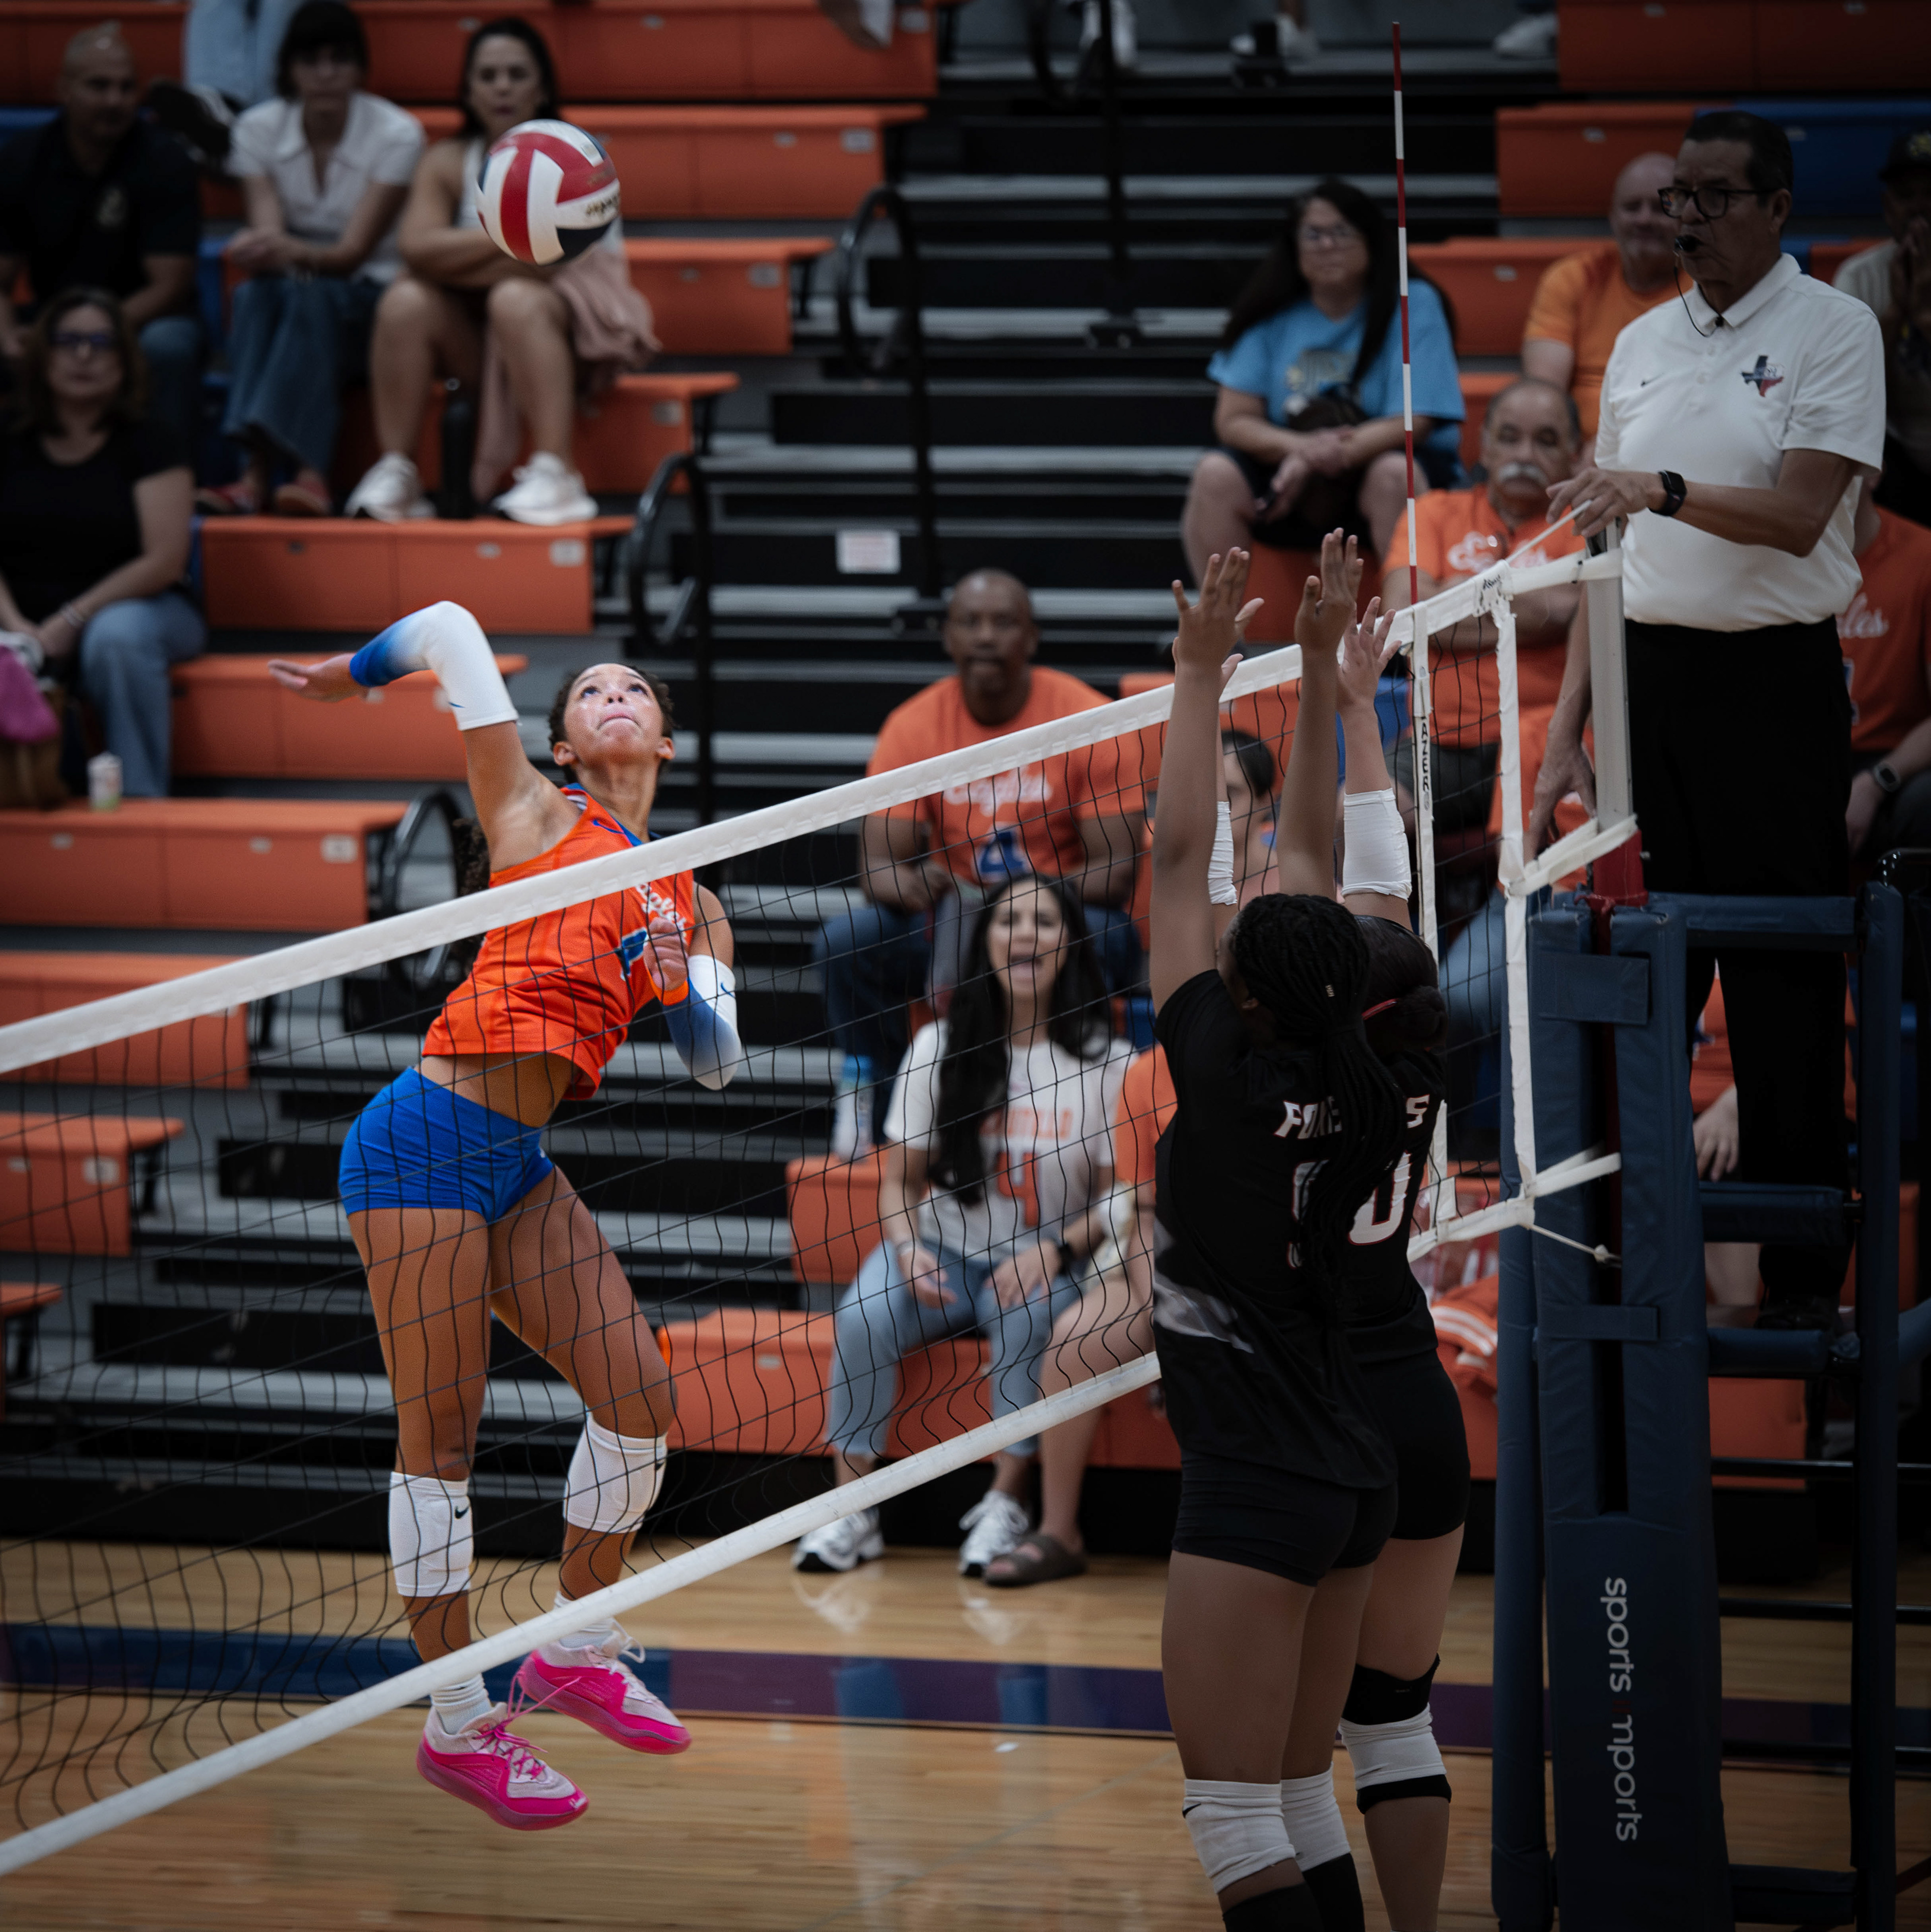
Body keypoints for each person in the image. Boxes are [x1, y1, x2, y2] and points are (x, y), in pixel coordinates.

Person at [270, 610, 744, 1825]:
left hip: (516, 1162)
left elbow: (715, 1062)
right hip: (421, 1140)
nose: (616, 695)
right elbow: (448, 628)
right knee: (441, 1442)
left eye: (637, 687)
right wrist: (349, 678)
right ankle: (456, 1720)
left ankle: (574, 1643)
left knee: (642, 1398)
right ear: (565, 743)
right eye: (592, 689)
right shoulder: (531, 810)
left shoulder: (692, 888)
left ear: (666, 737)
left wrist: (680, 976)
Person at [1542, 109, 1885, 1334]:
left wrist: (1663, 488)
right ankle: (1615, 1281)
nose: (1684, 218)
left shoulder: (1833, 329)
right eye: (1676, 196)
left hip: (1773, 689)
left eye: (1712, 197)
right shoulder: (1639, 342)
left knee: (1782, 992)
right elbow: (1603, 548)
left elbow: (1799, 518)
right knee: (1639, 980)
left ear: (1777, 207)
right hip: (1648, 685)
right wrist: (1565, 729)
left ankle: (1801, 1299)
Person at [1153, 536, 1406, 1932]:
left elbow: (1182, 854)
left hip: (1258, 1475)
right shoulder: (1363, 1064)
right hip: (1350, 1467)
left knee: (1238, 1818)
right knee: (1303, 1799)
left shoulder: (1223, 1074)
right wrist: (1310, 667)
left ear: (1243, 995)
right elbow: (1295, 868)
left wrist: (1202, 672)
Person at [1269, 554, 1466, 1932]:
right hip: (1414, 1399)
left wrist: (1311, 688)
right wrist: (1353, 703)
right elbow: (1379, 891)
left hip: (1306, 1413)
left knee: (1284, 1767)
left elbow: (1306, 883)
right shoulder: (1418, 1043)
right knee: (1394, 1719)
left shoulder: (1258, 1073)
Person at [985, 728, 1279, 1590]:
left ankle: (1264, 1534)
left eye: (1230, 795)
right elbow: (1139, 1206)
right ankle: (1060, 1529)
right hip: (1169, 1250)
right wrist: (1163, 1291)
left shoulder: (1287, 922)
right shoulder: (1153, 1072)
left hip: (1272, 1252)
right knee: (1079, 1334)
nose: (1212, 810)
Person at [792, 872, 1131, 1580]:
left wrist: (1055, 1250)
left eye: (1044, 921)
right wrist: (906, 1244)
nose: (1025, 934)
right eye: (1009, 921)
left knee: (1030, 1314)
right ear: (985, 943)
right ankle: (853, 1508)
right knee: (862, 1315)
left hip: (1045, 1257)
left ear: (1071, 943)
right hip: (941, 1250)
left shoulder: (1108, 1061)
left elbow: (1114, 1198)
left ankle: (1006, 1501)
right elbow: (898, 1181)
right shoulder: (938, 1045)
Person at [814, 568, 1145, 1152]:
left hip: (1058, 918)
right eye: (970, 622)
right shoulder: (913, 726)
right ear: (949, 637)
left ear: (1031, 637)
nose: (986, 636)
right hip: (958, 920)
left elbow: (1115, 871)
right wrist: (914, 883)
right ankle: (878, 1097)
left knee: (1112, 935)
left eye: (1003, 622)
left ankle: (1076, 1099)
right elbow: (877, 867)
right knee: (847, 943)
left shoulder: (1087, 717)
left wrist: (1026, 902)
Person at [343, 15, 655, 526]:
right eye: (488, 76)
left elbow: (550, 268)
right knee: (406, 301)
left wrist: (461, 256)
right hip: (479, 340)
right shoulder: (447, 160)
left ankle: (558, 472)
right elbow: (417, 249)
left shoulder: (578, 158)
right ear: (468, 90)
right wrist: (523, 236)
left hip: (571, 336)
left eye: (517, 74)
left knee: (516, 298)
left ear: (543, 86)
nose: (502, 87)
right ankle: (397, 471)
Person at [1385, 377, 1588, 1057]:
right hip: (1440, 744)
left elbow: (1572, 609)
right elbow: (1403, 618)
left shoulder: (1585, 521)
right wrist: (1523, 610)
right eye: (1510, 436)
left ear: (1576, 454)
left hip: (1541, 748)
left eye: (1546, 439)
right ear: (1484, 445)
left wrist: (1450, 605)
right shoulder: (1434, 511)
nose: (1525, 453)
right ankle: (1383, 975)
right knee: (1360, 811)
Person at [200, 3, 422, 517]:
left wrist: (283, 250)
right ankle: (257, 478)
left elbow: (351, 253)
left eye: (339, 60)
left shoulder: (397, 133)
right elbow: (269, 236)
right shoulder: (257, 129)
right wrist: (259, 249)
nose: (325, 74)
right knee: (254, 295)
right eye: (311, 60)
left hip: (372, 299)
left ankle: (301, 471)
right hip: (295, 291)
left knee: (310, 294)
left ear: (360, 69)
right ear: (289, 69)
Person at [1182, 176, 1463, 578]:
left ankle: (1409, 615)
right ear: (1294, 246)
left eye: (1342, 232)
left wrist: (1326, 456)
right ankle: (1221, 620)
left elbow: (1414, 421)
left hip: (1376, 470)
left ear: (1371, 240)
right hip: (1288, 483)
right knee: (1215, 474)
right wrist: (1301, 450)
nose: (1327, 245)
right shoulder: (1269, 310)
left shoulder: (1413, 303)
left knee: (1393, 474)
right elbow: (1233, 420)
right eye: (1313, 235)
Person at [0, 289, 200, 799]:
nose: (84, 355)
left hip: (139, 606)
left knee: (117, 637)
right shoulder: (8, 438)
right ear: (43, 353)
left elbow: (163, 560)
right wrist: (15, 627)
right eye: (68, 341)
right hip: (21, 613)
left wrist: (71, 620)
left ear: (124, 358)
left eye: (100, 342)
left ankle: (139, 800)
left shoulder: (153, 440)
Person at [0, 26, 203, 454]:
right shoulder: (22, 158)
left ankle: (170, 474)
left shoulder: (166, 159)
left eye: (127, 88)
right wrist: (9, 333)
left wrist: (83, 338)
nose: (115, 100)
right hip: (54, 314)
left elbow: (169, 286)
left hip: (144, 319)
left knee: (169, 347)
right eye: (99, 86)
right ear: (64, 90)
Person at [1521, 151, 1680, 449]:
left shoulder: (1707, 288)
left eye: (1660, 208)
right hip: (1576, 452)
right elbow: (1544, 396)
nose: (1644, 219)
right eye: (1632, 207)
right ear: (1612, 216)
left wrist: (1612, 447)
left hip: (1669, 448)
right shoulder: (1574, 277)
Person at [1833, 127, 1931, 529]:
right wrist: (1896, 313)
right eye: (1907, 195)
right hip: (1893, 456)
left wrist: (1924, 317)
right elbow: (1842, 385)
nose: (1920, 208)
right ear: (1888, 207)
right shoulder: (1858, 276)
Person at [1840, 477, 1931, 858]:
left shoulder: (1922, 558)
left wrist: (1877, 782)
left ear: (1872, 472)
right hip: (1803, 757)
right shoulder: (1774, 561)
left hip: (1894, 758)